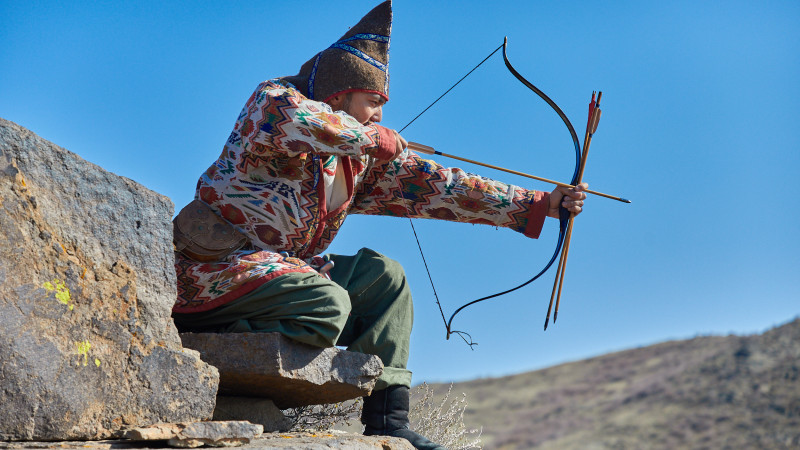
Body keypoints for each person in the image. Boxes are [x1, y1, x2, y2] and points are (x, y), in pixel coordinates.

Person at [171, 2, 586, 449]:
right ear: (338, 95)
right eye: (372, 102)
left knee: (384, 279)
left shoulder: (355, 164)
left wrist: (542, 203)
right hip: (213, 275)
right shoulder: (272, 107)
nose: (380, 115)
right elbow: (300, 119)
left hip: (284, 280)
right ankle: (213, 340)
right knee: (328, 302)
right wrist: (370, 137)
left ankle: (389, 419)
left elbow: (439, 186)